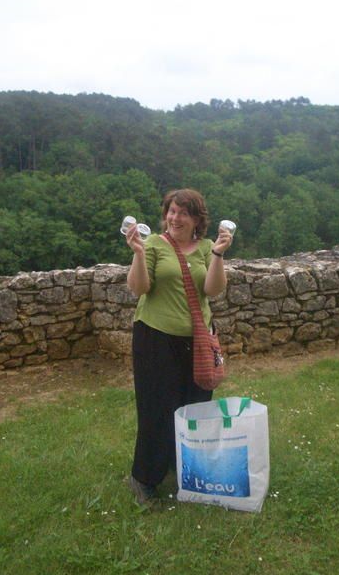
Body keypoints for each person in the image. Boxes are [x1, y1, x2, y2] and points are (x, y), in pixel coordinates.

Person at [125, 188, 232, 504]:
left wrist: (218, 255)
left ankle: (185, 467)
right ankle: (143, 478)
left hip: (197, 342)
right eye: (172, 211)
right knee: (157, 409)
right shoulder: (155, 244)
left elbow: (212, 290)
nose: (175, 218)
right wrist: (138, 254)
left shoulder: (207, 248)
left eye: (184, 213)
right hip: (155, 339)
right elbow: (139, 288)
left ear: (197, 219)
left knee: (195, 406)